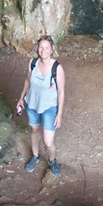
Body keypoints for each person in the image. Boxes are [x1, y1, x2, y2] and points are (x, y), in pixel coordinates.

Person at [16, 35, 65, 177]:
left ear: (51, 50)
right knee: (35, 130)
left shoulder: (57, 68)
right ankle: (35, 156)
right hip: (32, 103)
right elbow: (27, 81)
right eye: (41, 47)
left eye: (46, 48)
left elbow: (61, 92)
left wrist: (59, 114)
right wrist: (20, 99)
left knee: (48, 142)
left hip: (49, 107)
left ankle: (52, 160)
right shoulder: (33, 63)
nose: (43, 50)